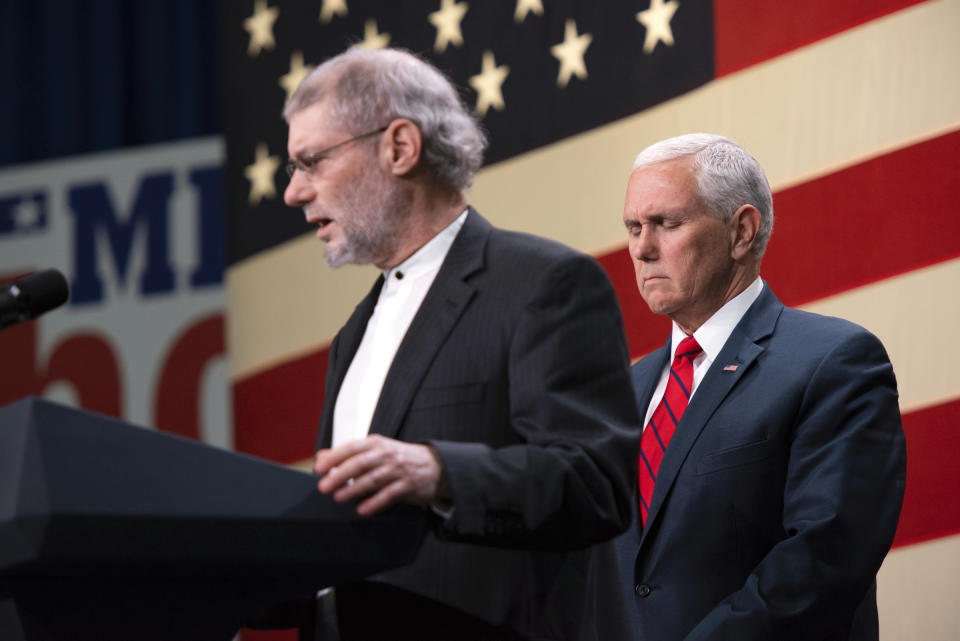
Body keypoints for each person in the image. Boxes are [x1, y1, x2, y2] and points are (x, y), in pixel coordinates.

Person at [281, 46, 640, 641]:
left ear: (399, 147)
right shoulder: (355, 332)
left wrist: (440, 472)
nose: (294, 192)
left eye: (311, 161)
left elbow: (594, 483)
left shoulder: (541, 284)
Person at [615, 133, 906, 641]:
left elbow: (826, 556)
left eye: (667, 223)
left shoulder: (832, 361)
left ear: (742, 232)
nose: (642, 248)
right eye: (634, 227)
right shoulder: (621, 391)